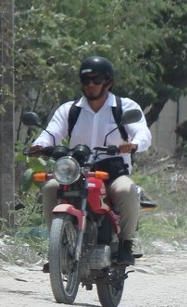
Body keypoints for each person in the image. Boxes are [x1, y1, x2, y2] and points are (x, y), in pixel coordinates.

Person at [28, 55, 152, 260]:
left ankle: (126, 244)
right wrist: (40, 145)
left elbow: (142, 132)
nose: (91, 85)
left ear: (108, 82)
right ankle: (56, 247)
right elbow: (51, 133)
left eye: (96, 80)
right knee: (50, 187)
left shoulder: (125, 107)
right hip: (75, 169)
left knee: (126, 190)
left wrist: (133, 144)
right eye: (86, 81)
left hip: (112, 170)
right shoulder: (70, 109)